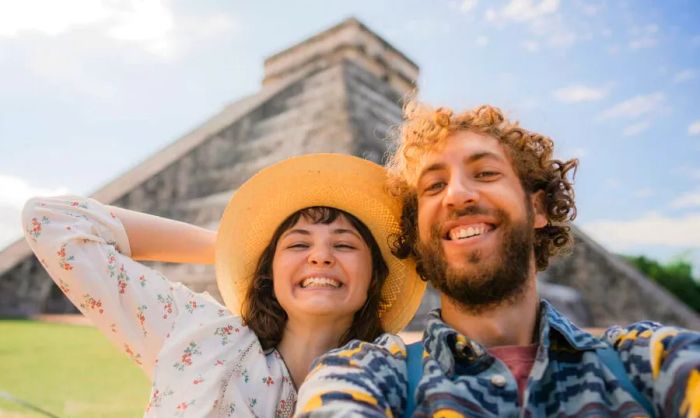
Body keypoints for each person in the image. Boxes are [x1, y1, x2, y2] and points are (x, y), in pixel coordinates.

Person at [295, 103, 700, 417]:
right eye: (434, 185)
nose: (456, 194)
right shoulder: (362, 375)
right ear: (416, 233)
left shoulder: (649, 362)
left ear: (538, 207)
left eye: (486, 173)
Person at [22, 153, 425, 417]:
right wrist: (227, 246)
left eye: (343, 244)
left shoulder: (398, 372)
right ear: (269, 271)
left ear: (374, 277)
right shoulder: (195, 333)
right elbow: (51, 220)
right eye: (298, 244)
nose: (320, 256)